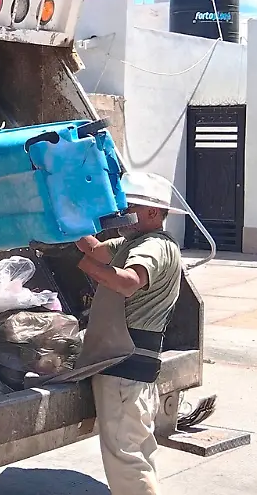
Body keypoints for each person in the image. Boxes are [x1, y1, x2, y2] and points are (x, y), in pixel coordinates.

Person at [71, 171, 185, 495]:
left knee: (126, 458)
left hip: (125, 368)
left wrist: (88, 267)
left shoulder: (153, 246)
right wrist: (70, 225)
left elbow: (128, 282)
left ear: (152, 212)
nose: (122, 213)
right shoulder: (133, 243)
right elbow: (96, 249)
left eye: (129, 207)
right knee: (136, 453)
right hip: (131, 368)